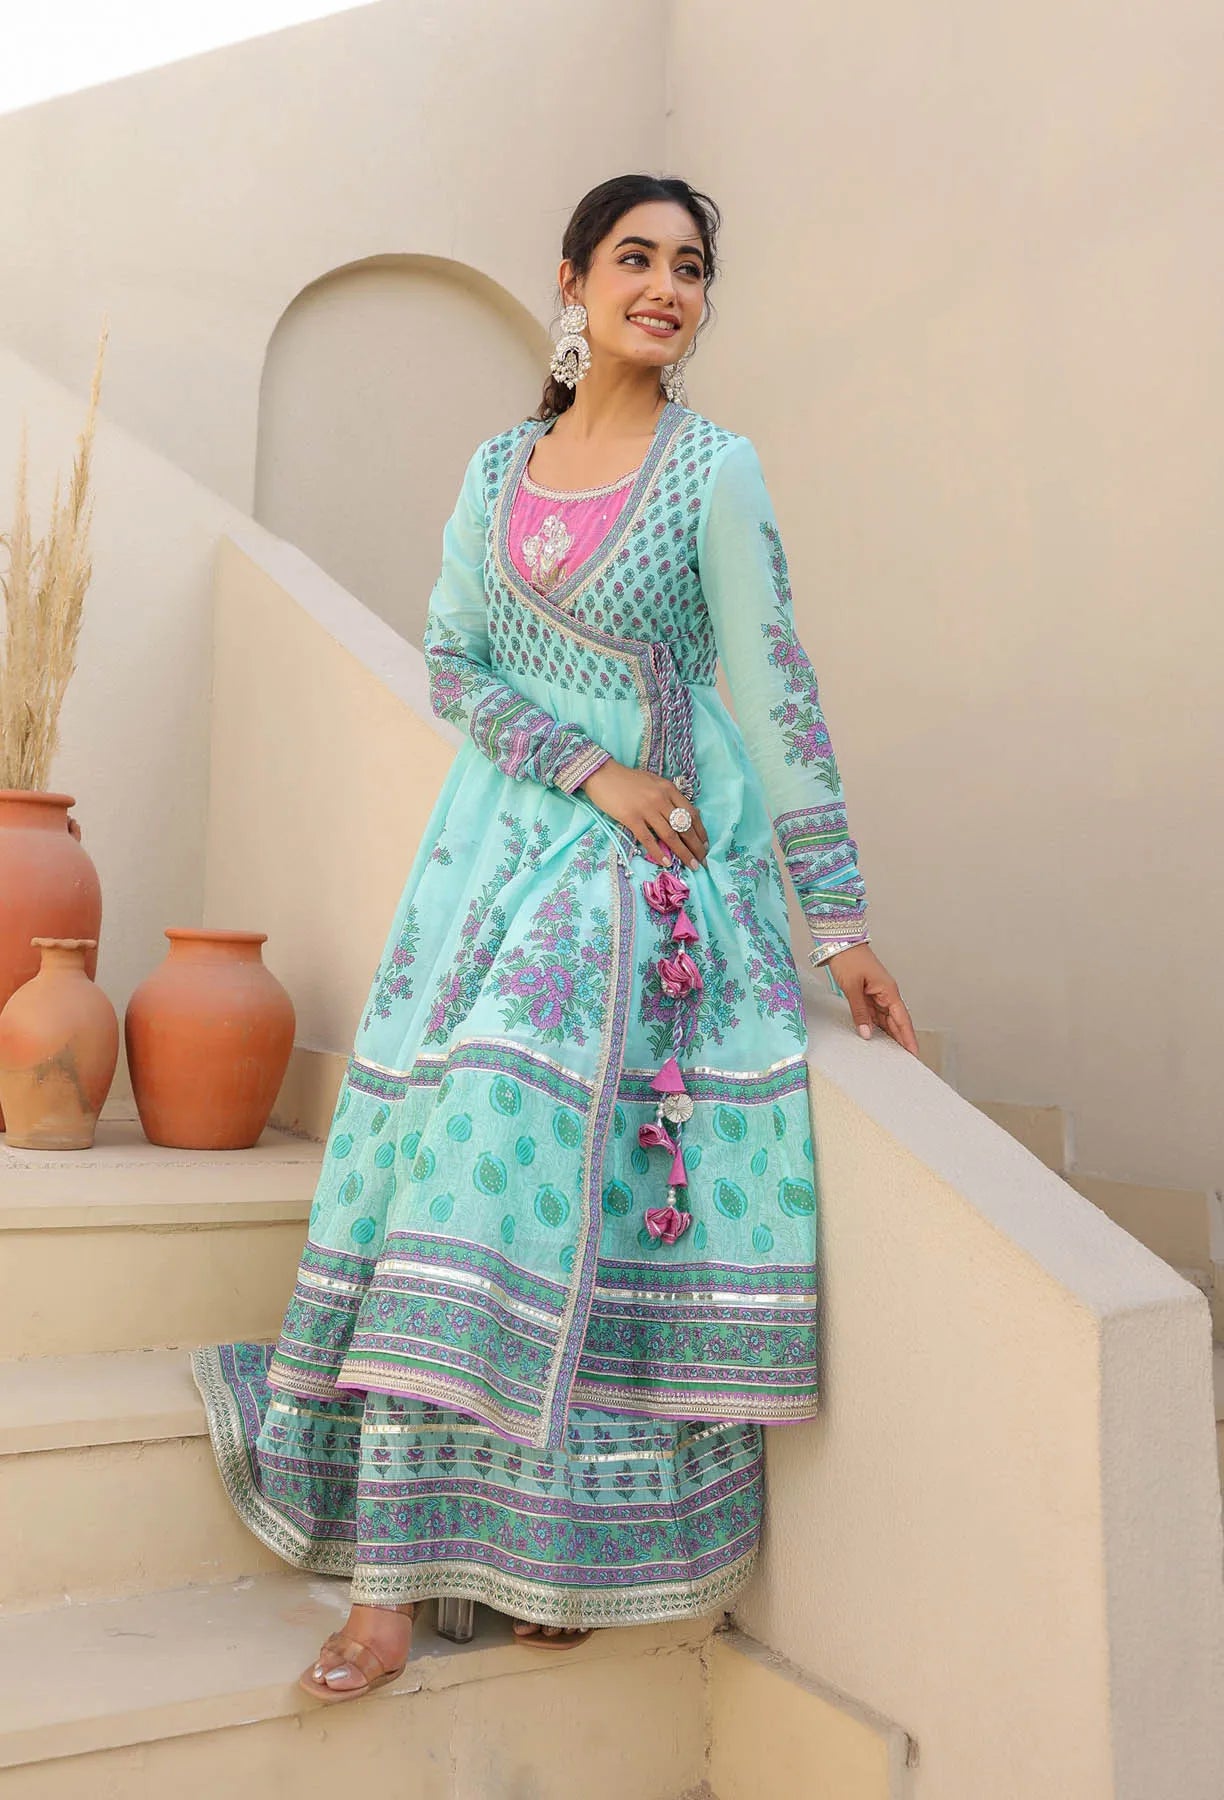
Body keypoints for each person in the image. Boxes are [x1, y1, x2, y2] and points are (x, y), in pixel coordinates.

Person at [190, 171, 917, 1704]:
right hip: (497, 856)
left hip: (655, 875)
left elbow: (775, 687)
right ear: (573, 280)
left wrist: (838, 922)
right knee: (445, 1163)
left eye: (691, 267)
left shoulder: (716, 471)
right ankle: (389, 1587)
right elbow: (454, 662)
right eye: (636, 258)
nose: (666, 287)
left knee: (536, 1169)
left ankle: (554, 1554)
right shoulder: (498, 468)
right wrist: (590, 768)